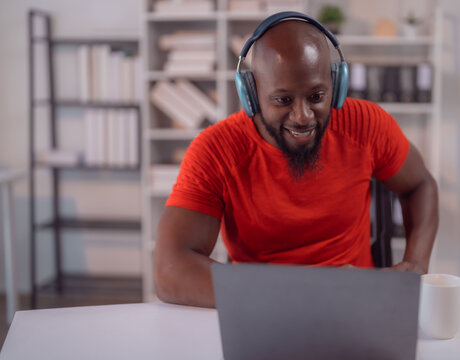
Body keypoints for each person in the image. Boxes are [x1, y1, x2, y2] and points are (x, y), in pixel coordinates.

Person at [154, 13, 438, 308]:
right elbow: (170, 270)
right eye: (283, 100)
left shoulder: (367, 124)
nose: (303, 116)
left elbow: (420, 185)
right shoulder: (216, 150)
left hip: (352, 304)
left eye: (317, 96)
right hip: (265, 307)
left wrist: (416, 263)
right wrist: (294, 293)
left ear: (337, 86)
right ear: (251, 94)